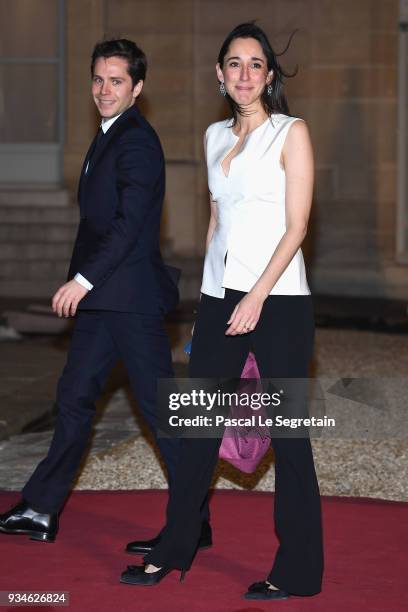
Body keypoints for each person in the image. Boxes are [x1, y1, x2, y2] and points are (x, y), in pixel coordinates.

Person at [119, 23, 324, 601]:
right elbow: (217, 220)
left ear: (269, 74)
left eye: (255, 64)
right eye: (233, 64)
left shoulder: (291, 132)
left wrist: (256, 295)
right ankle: (174, 548)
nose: (244, 74)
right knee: (199, 429)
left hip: (278, 300)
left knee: (289, 438)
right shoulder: (213, 137)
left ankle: (299, 571)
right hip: (220, 299)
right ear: (219, 73)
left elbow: (298, 225)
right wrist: (211, 300)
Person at [0, 38, 212, 551]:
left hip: (129, 300)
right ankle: (41, 507)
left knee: (159, 410)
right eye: (98, 79)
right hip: (105, 301)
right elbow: (97, 224)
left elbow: (129, 224)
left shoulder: (136, 140)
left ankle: (191, 522)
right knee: (73, 399)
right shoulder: (109, 135)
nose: (104, 89)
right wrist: (87, 282)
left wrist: (82, 280)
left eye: (116, 81)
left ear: (137, 87)